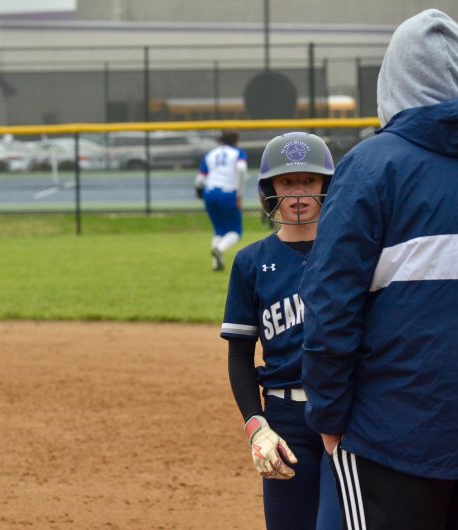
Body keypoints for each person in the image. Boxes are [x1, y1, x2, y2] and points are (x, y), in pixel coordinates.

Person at [299, 9, 458, 530]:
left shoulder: (372, 167)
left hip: (391, 437)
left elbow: (330, 306)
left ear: (391, 81)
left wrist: (327, 416)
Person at [221, 132, 343, 530]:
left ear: (326, 185)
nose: (298, 193)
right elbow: (240, 353)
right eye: (287, 182)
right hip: (285, 418)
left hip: (347, 412)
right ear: (270, 190)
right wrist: (256, 425)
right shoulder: (251, 262)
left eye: (308, 180)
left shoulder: (351, 254)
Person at [195, 129, 248, 271]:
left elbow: (200, 179)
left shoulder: (211, 154)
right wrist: (239, 193)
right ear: (236, 141)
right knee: (235, 231)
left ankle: (216, 263)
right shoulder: (238, 153)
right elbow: (242, 169)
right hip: (228, 192)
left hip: (209, 192)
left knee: (219, 230)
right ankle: (219, 249)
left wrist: (200, 193)